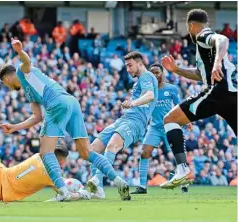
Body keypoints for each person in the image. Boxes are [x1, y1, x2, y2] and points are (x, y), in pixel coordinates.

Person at [0, 38, 130, 201]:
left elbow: (26, 61)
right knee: (86, 152)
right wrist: (14, 127)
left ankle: (63, 192)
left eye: (6, 84)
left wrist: (19, 51)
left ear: (6, 79)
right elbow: (37, 117)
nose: (8, 87)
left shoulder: (21, 71)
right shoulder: (29, 91)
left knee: (46, 152)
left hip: (56, 103)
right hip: (71, 102)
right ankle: (119, 181)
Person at [160, 9, 237, 189]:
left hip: (219, 91)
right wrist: (177, 69)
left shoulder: (203, 35)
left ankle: (182, 169)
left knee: (170, 119)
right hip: (233, 93)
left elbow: (222, 39)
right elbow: (200, 74)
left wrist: (218, 62)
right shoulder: (204, 51)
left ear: (192, 25)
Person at [87, 51, 158, 199]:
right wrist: (129, 105)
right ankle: (98, 190)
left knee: (112, 145)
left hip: (136, 122)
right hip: (124, 119)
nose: (128, 69)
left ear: (140, 63)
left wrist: (133, 103)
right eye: (126, 66)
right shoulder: (139, 81)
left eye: (130, 65)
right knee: (93, 148)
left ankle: (97, 180)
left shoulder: (147, 76)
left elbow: (150, 95)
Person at [130, 63, 193, 195]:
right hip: (154, 127)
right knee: (144, 152)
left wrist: (186, 120)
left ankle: (184, 183)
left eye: (157, 72)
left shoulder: (171, 89)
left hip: (170, 125)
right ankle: (142, 186)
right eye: (152, 72)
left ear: (162, 73)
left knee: (178, 154)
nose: (154, 75)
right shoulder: (147, 91)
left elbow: (179, 106)